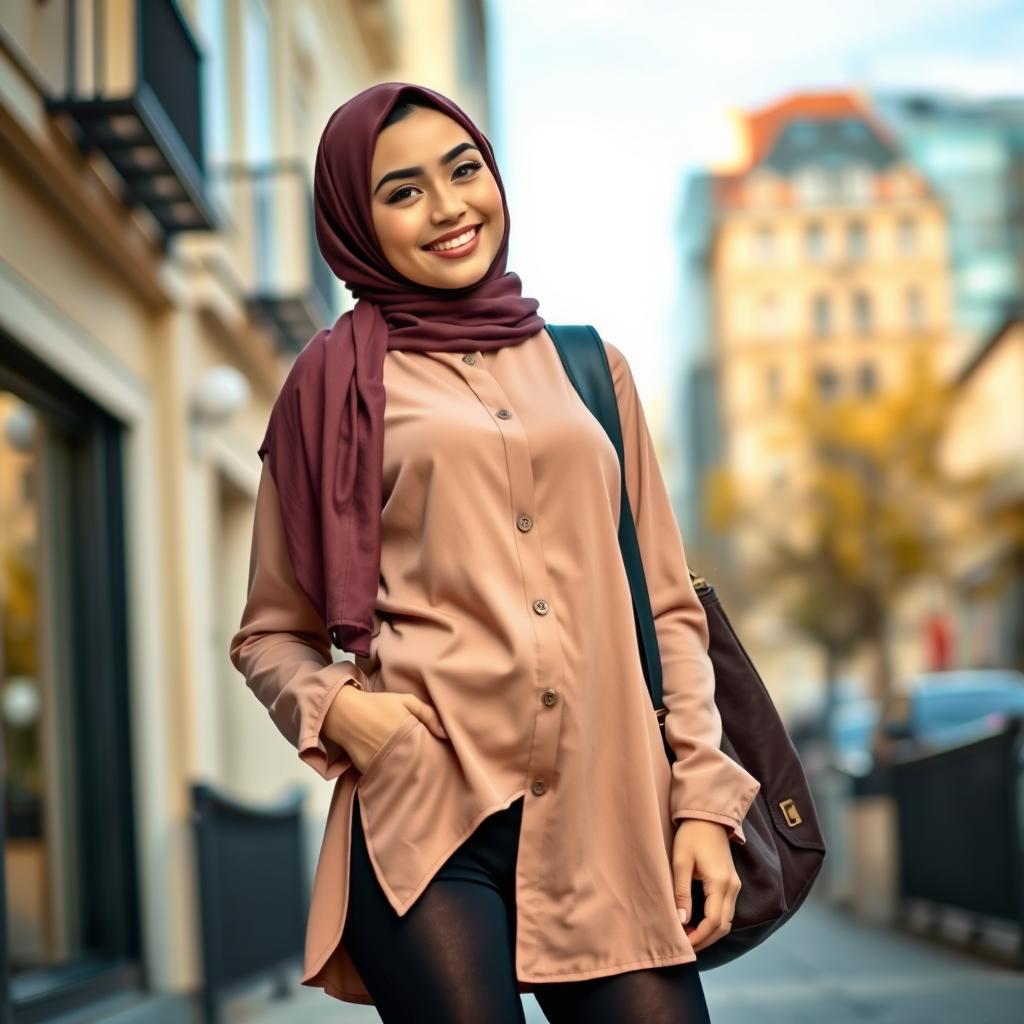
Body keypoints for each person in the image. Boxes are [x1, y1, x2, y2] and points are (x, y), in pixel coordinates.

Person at [229, 82, 761, 1023]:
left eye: (464, 170)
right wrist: (348, 717)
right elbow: (271, 634)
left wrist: (704, 804)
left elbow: (670, 608)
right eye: (402, 191)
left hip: (612, 820)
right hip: (429, 815)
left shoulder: (590, 367)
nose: (448, 208)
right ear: (358, 221)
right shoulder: (328, 387)